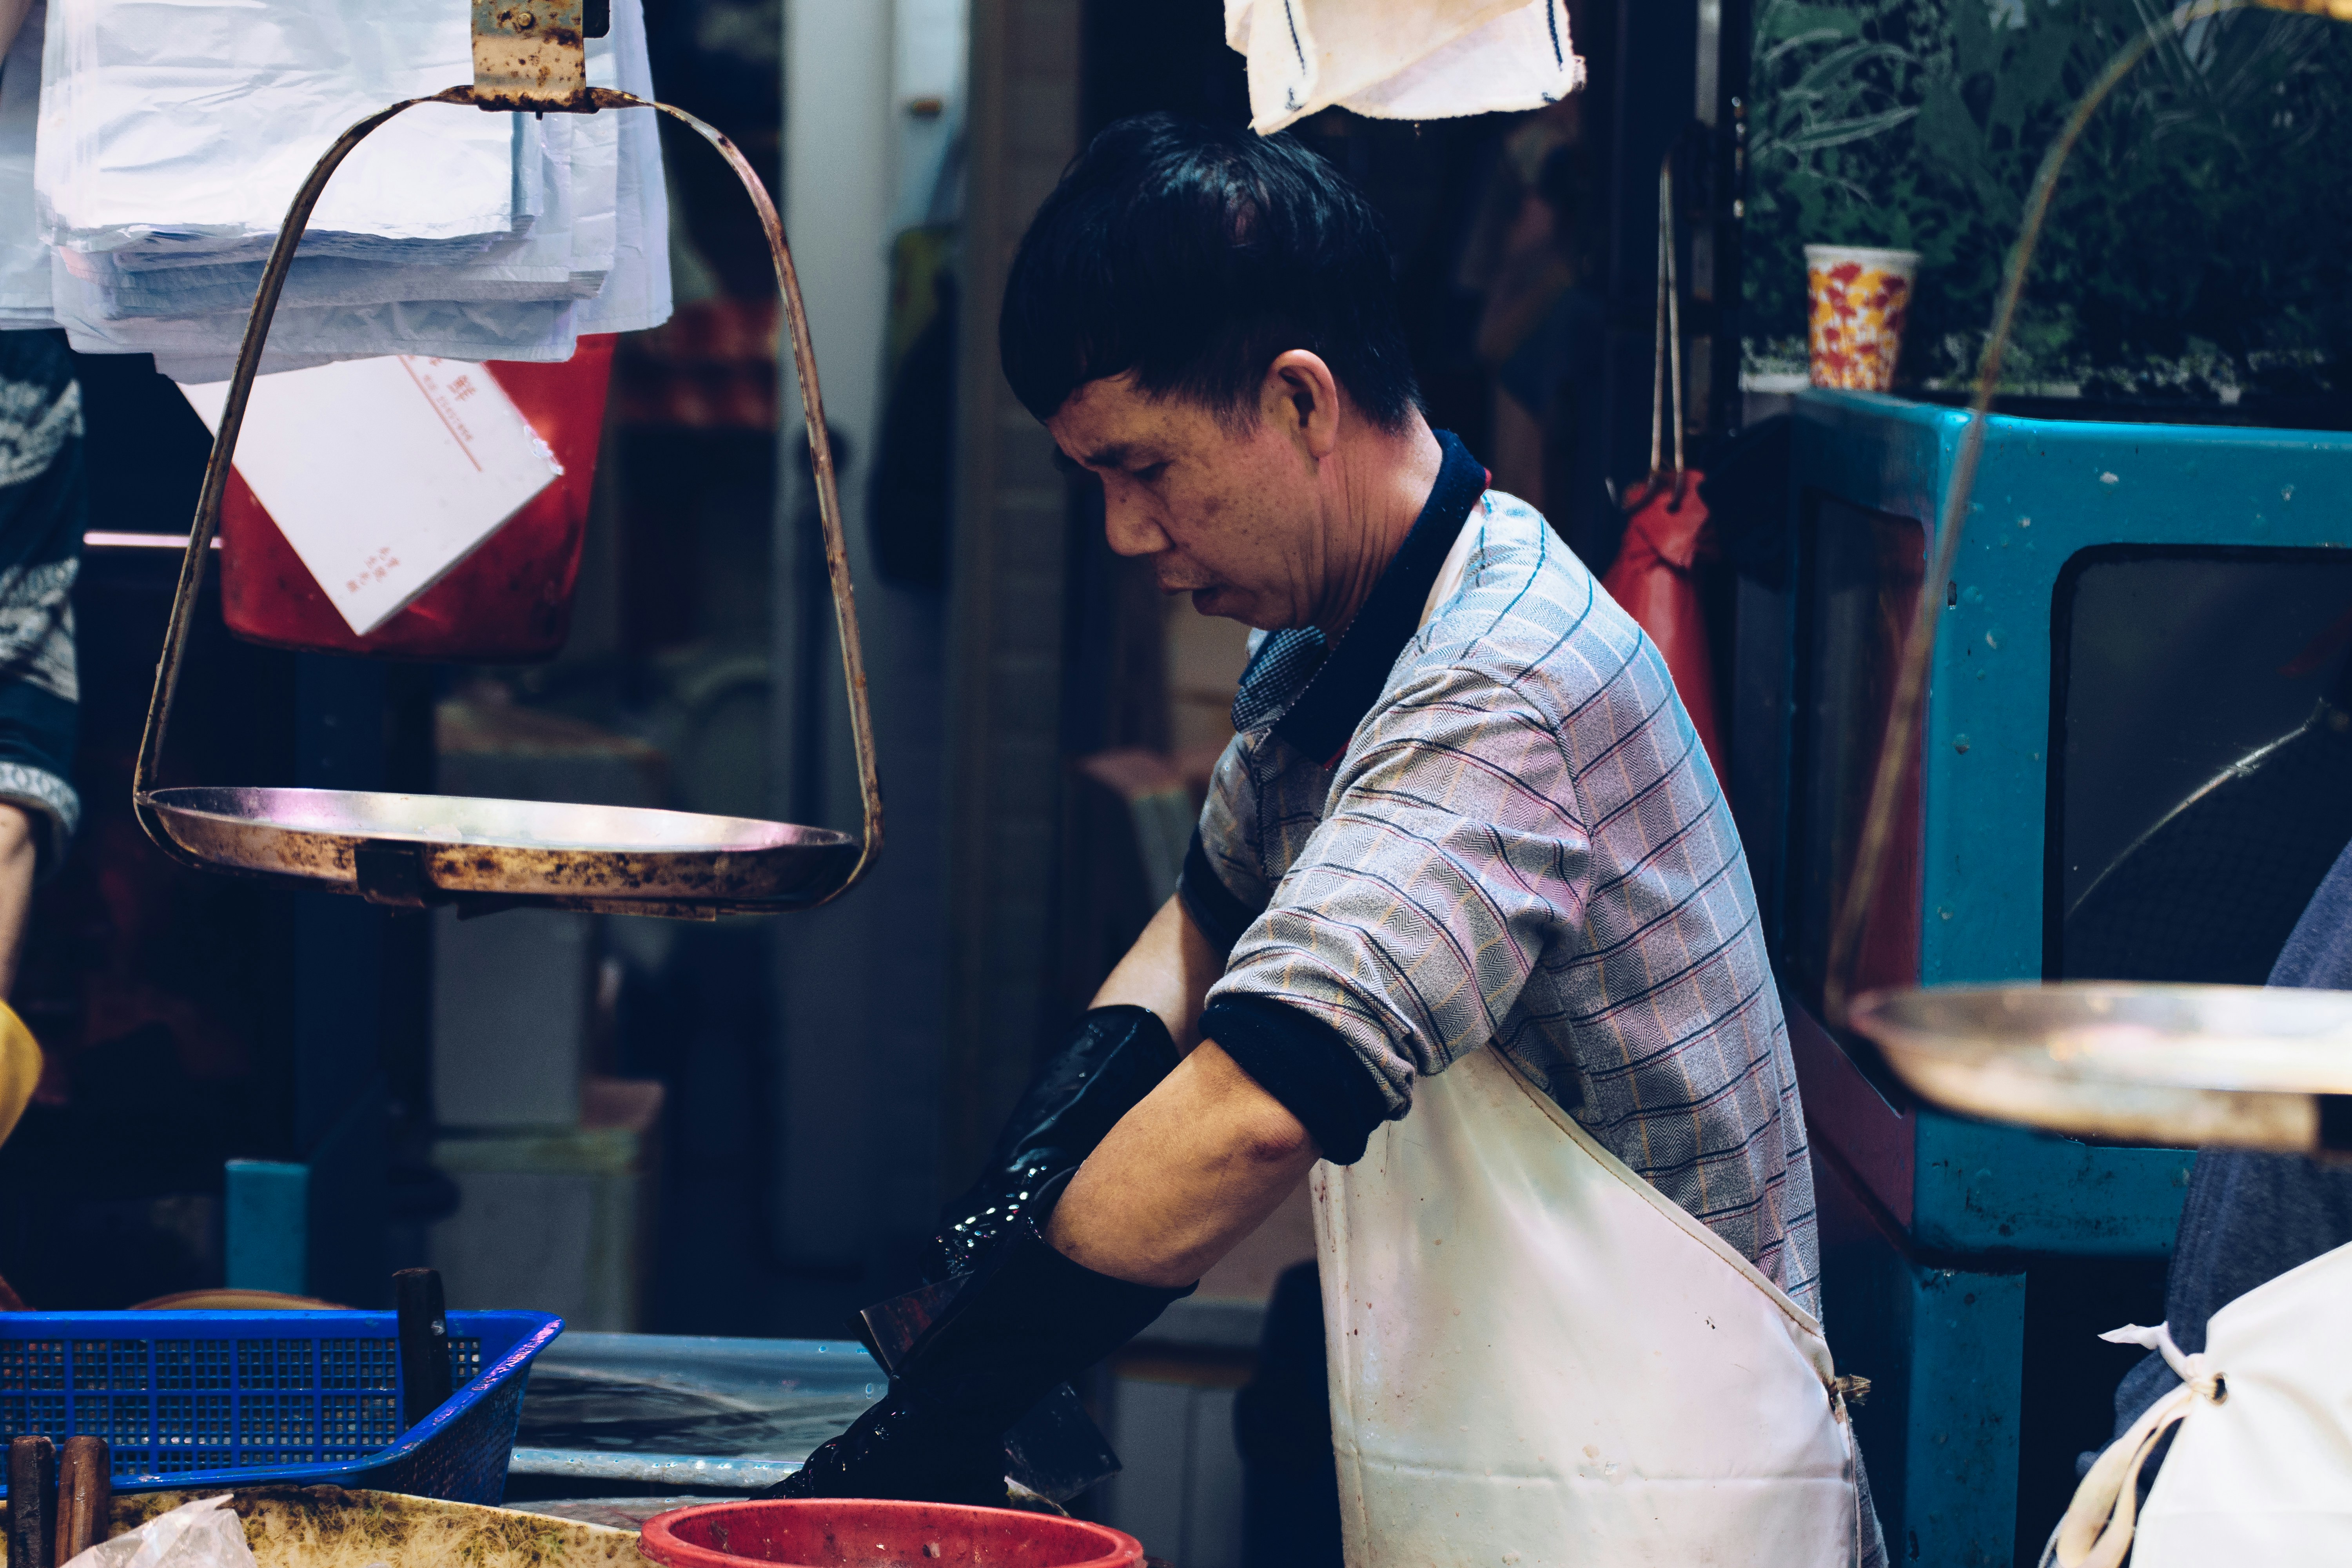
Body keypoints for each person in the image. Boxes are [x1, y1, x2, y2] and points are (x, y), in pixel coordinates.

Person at [779, 115, 1875, 1566]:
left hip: (1666, 1486)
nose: (1122, 531)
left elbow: (1254, 1105)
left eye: (1144, 468)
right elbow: (1206, 919)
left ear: (1300, 402)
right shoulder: (1332, 633)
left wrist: (959, 1396)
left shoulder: (1500, 683)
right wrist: (1024, 1181)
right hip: (1525, 1438)